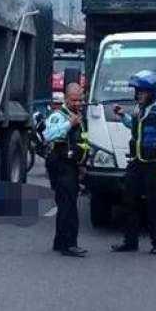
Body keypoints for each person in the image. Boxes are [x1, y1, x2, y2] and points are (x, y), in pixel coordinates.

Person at [110, 70, 156, 255]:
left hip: (154, 164)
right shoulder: (137, 110)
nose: (139, 95)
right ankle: (130, 241)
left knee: (154, 204)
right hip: (137, 162)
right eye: (138, 91)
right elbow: (134, 127)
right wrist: (122, 116)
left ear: (153, 93)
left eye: (143, 92)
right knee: (128, 200)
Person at [43, 83, 90, 257]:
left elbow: (82, 142)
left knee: (66, 203)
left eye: (80, 100)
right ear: (65, 98)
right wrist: (69, 124)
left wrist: (82, 164)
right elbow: (48, 135)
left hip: (73, 165)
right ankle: (69, 244)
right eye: (74, 100)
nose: (78, 103)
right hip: (60, 164)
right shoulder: (59, 116)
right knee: (68, 205)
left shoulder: (77, 115)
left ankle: (60, 241)